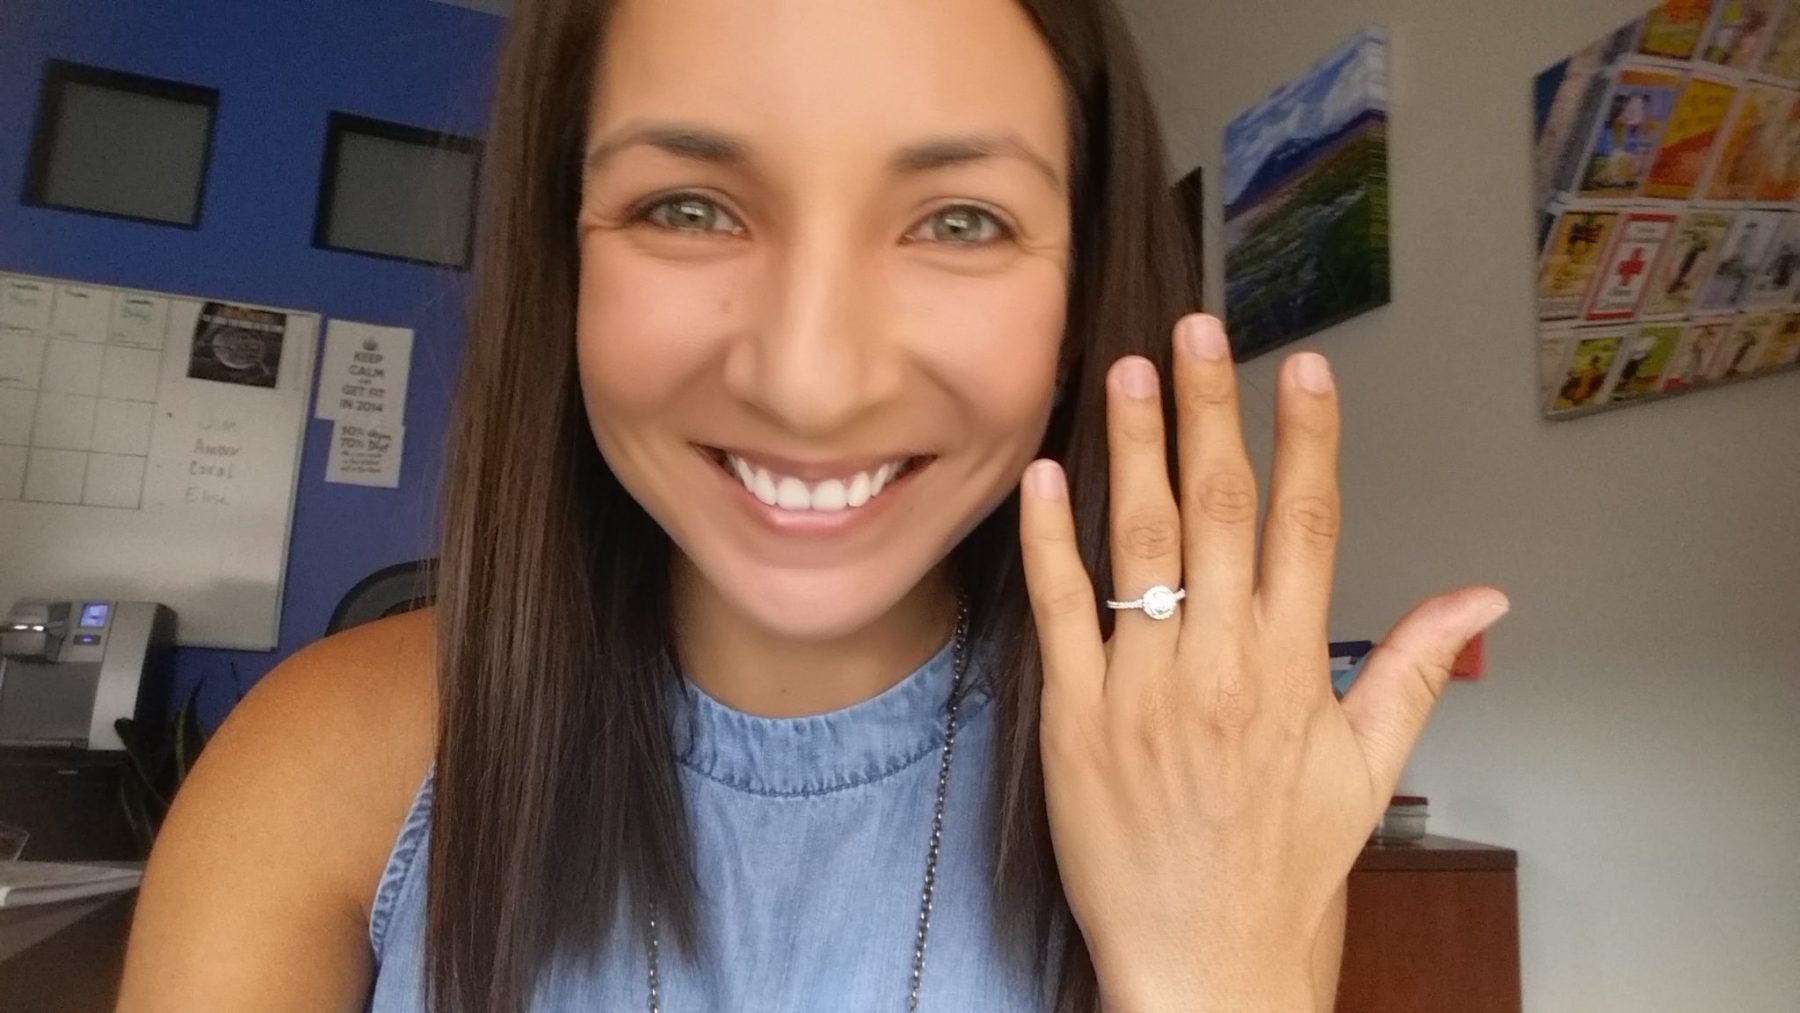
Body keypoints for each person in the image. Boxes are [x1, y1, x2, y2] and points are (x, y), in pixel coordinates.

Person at [116, 1, 1507, 1010]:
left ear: (1083, 289)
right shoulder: (320, 768)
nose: (810, 379)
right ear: (565, 253)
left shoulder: (1200, 786)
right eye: (688, 207)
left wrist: (1211, 974)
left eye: (960, 220)